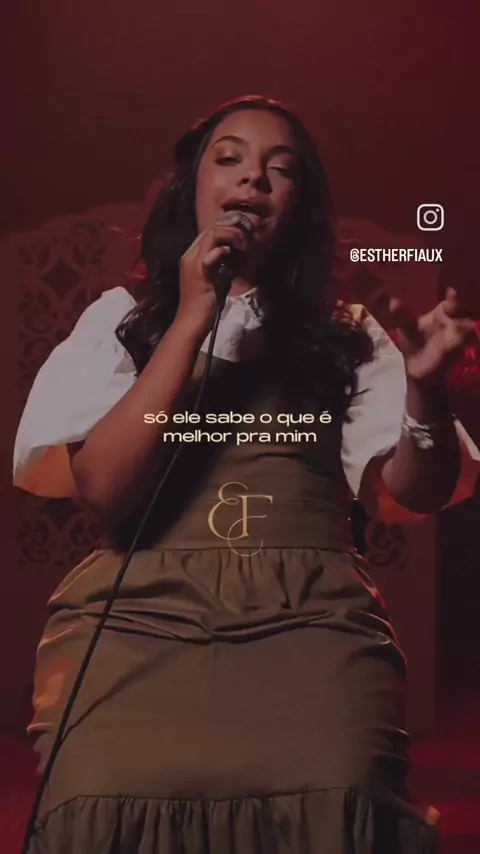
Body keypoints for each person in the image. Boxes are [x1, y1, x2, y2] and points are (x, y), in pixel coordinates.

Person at [13, 95, 479, 853]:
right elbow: (104, 489)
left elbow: (415, 491)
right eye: (229, 159)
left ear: (301, 207)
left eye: (279, 169)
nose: (253, 179)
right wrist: (192, 317)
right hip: (141, 619)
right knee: (98, 788)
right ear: (191, 189)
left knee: (342, 783)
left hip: (309, 624)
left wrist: (426, 391)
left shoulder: (347, 335)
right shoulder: (120, 319)